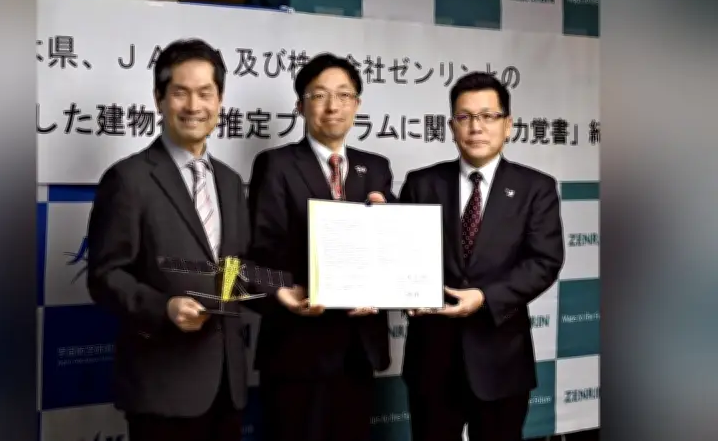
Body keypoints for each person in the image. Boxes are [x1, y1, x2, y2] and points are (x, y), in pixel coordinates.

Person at [86, 38, 280, 441]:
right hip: (162, 385)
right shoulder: (128, 179)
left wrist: (282, 292)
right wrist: (164, 307)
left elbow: (234, 268)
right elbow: (105, 276)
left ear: (220, 100)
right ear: (159, 99)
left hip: (227, 384)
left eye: (205, 93)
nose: (194, 106)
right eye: (180, 92)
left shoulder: (229, 181)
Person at [399, 72, 565, 441]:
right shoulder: (421, 183)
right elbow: (401, 255)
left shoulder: (535, 188)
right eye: (465, 117)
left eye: (488, 116)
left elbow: (544, 261)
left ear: (508, 125)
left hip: (501, 361)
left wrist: (485, 297)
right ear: (451, 126)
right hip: (432, 360)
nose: (476, 127)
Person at [247, 53, 395, 441]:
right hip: (297, 349)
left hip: (358, 348)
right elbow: (260, 249)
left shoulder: (376, 168)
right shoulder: (275, 165)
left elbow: (390, 248)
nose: (333, 106)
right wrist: (286, 292)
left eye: (344, 95)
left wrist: (382, 285)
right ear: (300, 105)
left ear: (357, 105)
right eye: (320, 95)